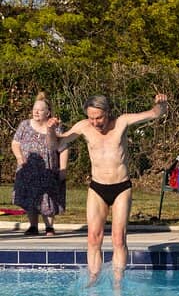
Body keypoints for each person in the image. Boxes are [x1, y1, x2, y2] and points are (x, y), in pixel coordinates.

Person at [54, 93, 169, 283]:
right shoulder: (84, 126)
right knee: (93, 237)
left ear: (107, 113)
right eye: (91, 118)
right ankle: (93, 279)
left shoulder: (121, 122)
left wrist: (161, 105)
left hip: (121, 187)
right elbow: (58, 143)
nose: (95, 122)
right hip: (97, 187)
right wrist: (51, 130)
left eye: (98, 117)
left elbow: (155, 113)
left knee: (118, 238)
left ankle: (117, 282)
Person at [11, 92, 67, 236]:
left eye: (40, 110)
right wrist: (19, 157)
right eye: (35, 109)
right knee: (30, 196)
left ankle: (49, 227)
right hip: (28, 168)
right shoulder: (24, 125)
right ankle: (33, 226)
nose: (36, 112)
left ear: (48, 113)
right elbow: (15, 143)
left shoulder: (54, 126)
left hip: (49, 168)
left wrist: (63, 169)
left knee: (48, 199)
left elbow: (64, 148)